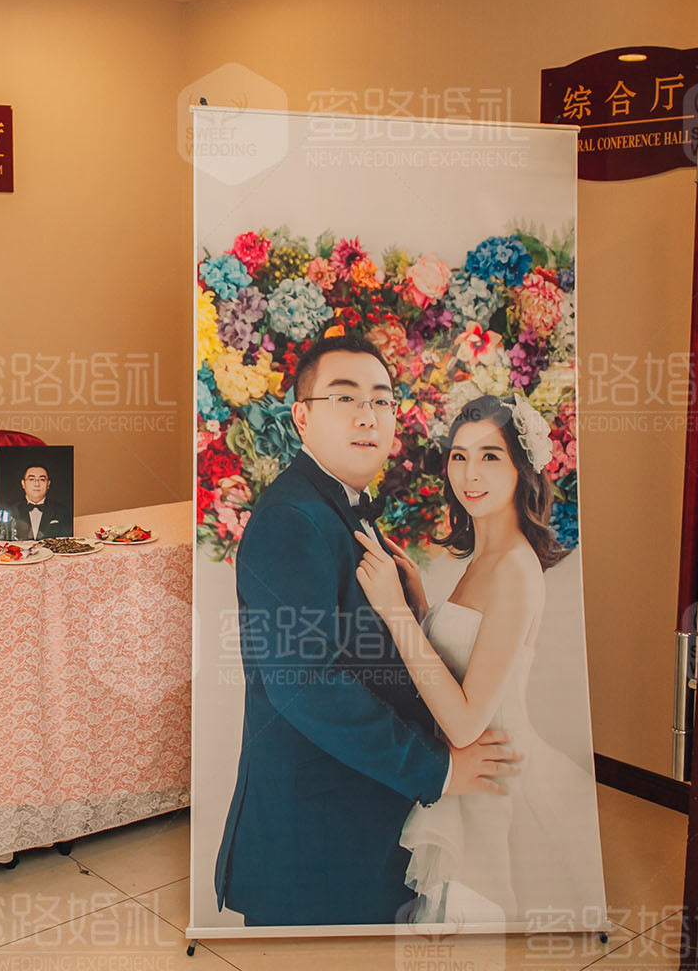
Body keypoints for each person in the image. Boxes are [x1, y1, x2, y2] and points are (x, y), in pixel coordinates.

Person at [214, 335, 523, 927]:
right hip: (315, 838)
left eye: (381, 400)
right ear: (302, 417)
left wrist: (412, 609)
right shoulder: (290, 520)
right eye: (345, 398)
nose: (368, 415)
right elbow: (307, 684)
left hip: (363, 816)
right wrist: (437, 769)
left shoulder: (343, 508)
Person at [354, 393, 606, 926]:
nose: (470, 473)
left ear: (522, 469)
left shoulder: (514, 568)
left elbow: (467, 722)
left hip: (495, 783)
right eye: (459, 455)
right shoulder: (486, 556)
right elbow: (470, 658)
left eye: (490, 456)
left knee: (475, 934)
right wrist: (421, 607)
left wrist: (395, 613)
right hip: (468, 778)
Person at [0, 464, 69, 540]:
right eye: (31, 479)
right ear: (23, 483)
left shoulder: (62, 511)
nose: (37, 484)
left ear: (48, 484)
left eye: (42, 479)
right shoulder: (11, 511)